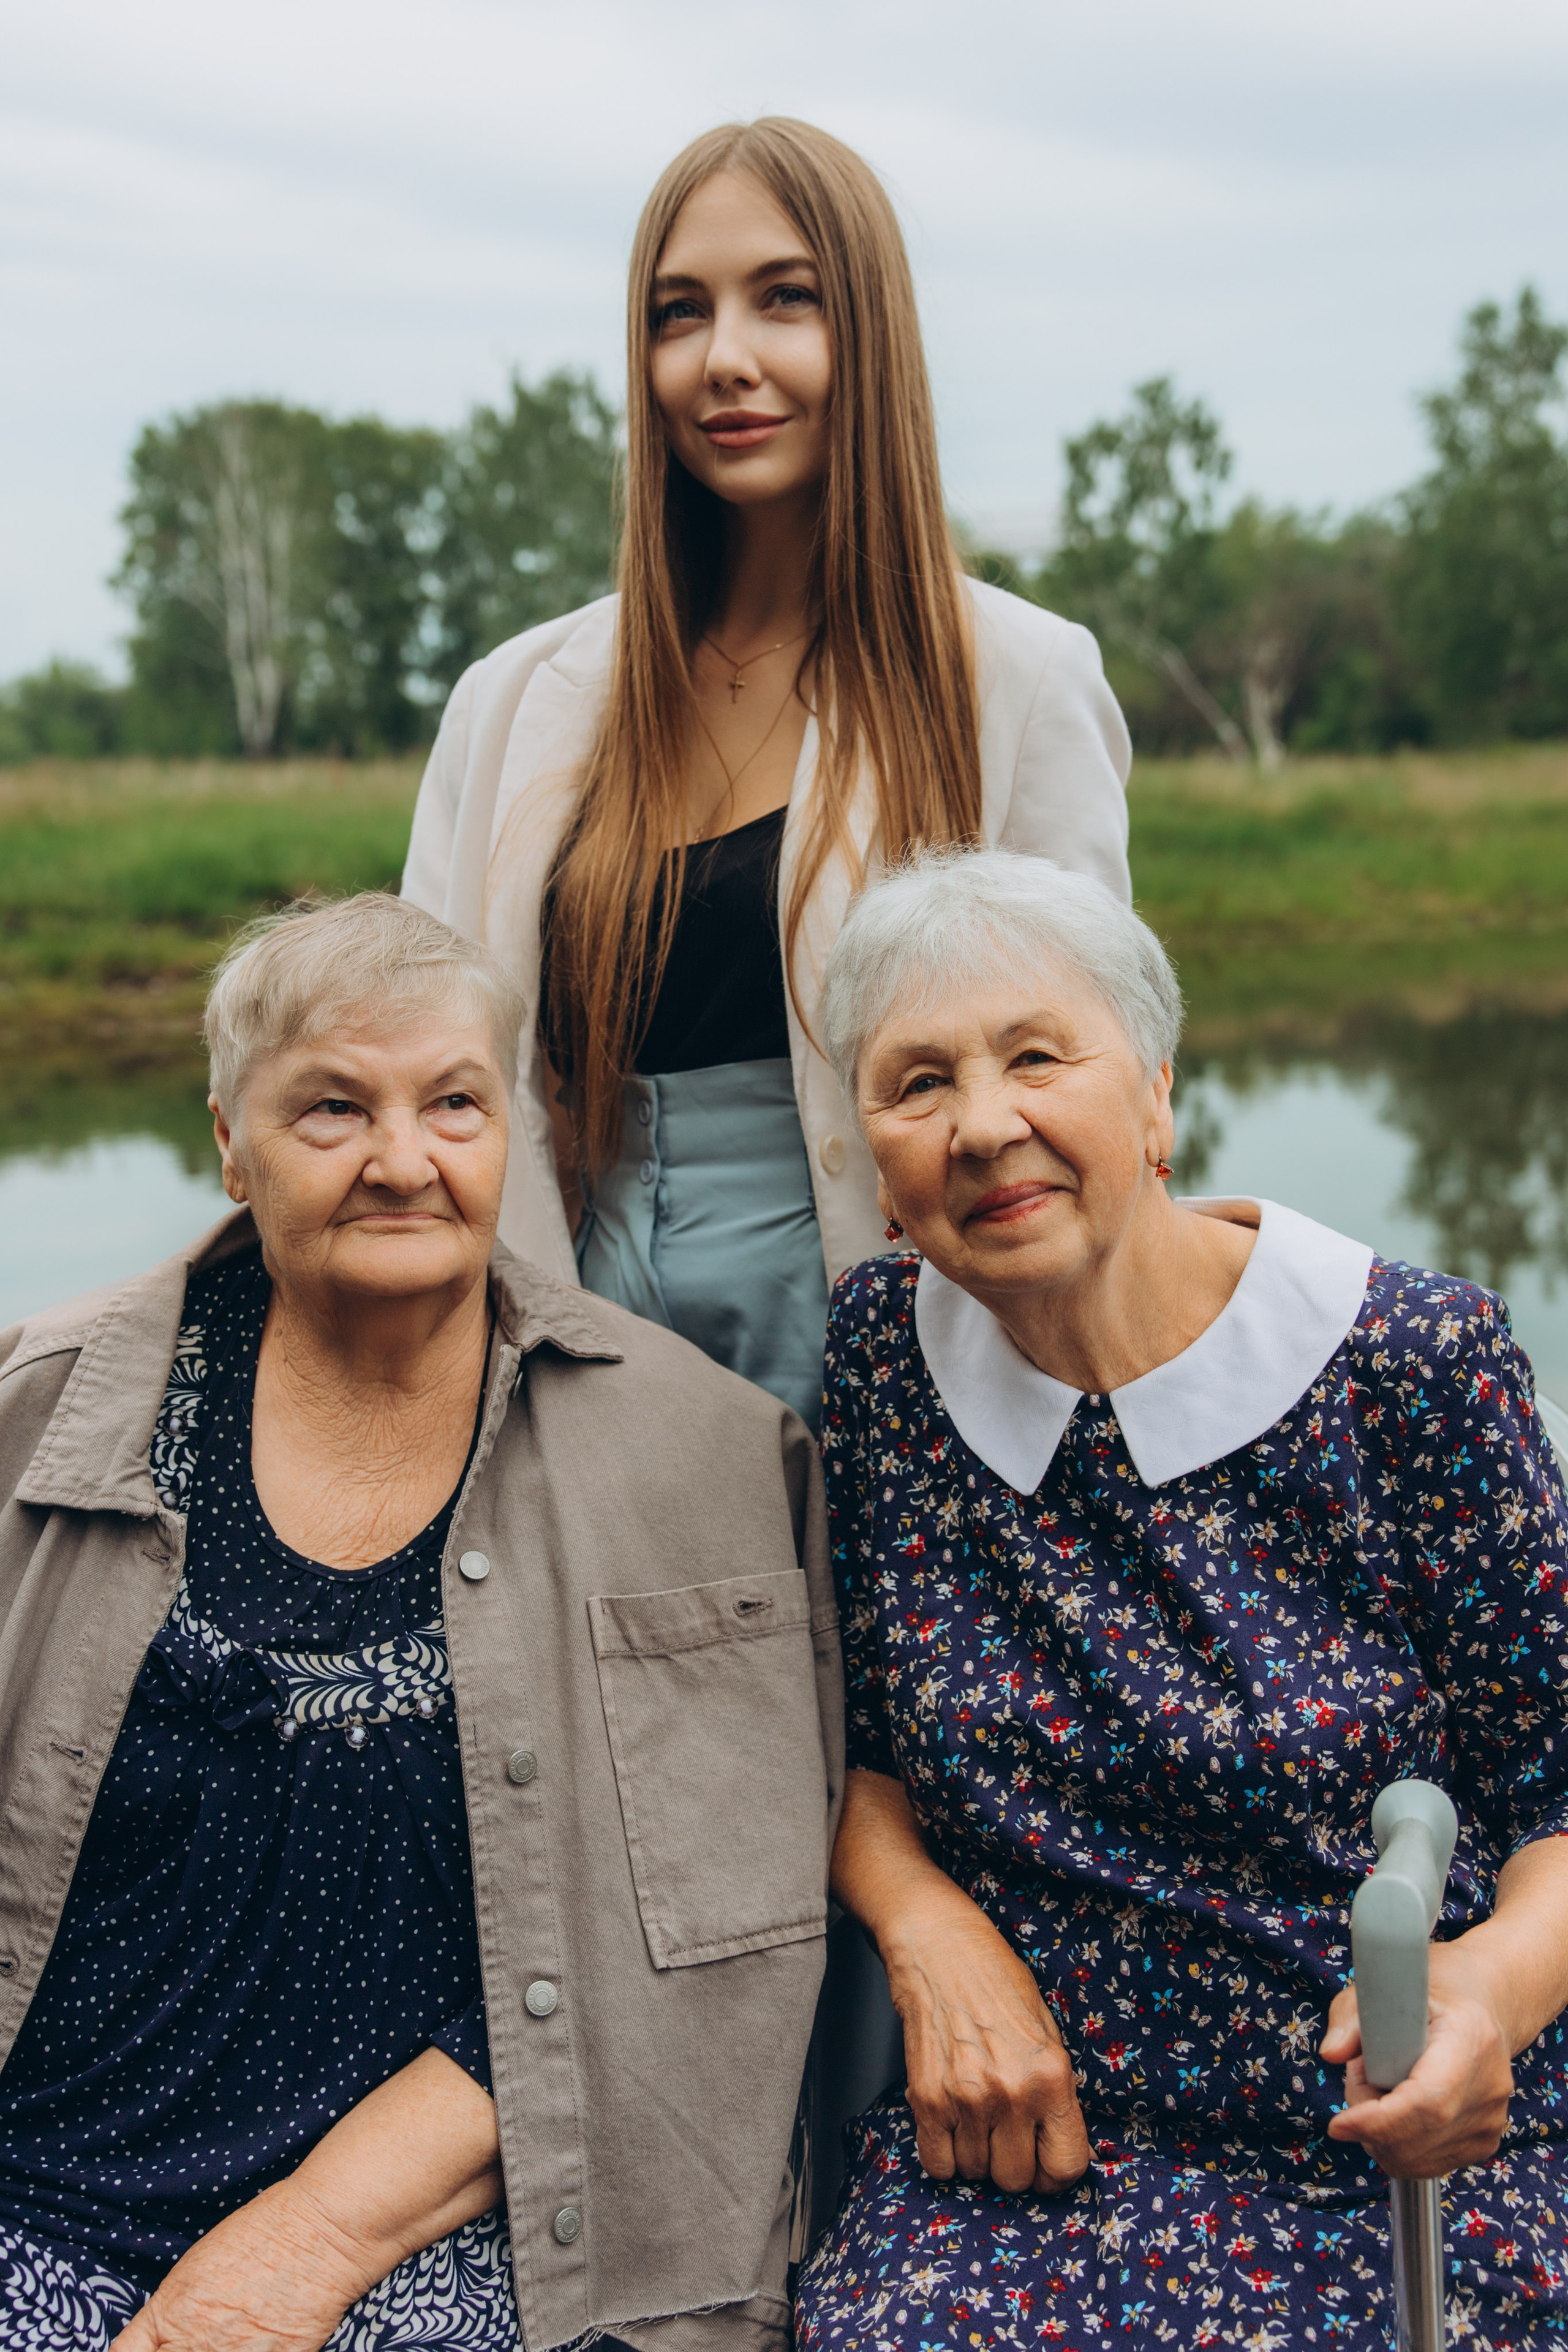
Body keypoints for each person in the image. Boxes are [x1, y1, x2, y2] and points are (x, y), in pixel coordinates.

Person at [0, 895, 842, 2352]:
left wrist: (301, 2246)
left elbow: (702, 1952)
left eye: (452, 1102)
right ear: (227, 1137)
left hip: (484, 2221)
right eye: (332, 1108)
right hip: (52, 2187)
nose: (403, 1160)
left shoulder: (700, 1458)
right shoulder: (44, 1407)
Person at [796, 844, 1568, 2351]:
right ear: (869, 1159)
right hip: (1034, 2147)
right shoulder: (885, 1356)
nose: (984, 1124)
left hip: (1405, 2135)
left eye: (1037, 1056)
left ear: (1153, 1093)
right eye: (916, 1083)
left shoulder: (1411, 1364)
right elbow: (856, 1745)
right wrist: (925, 1930)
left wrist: (1493, 1998)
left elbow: (1556, 1801)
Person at [401, 113, 1131, 1438]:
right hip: (574, 1374)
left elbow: (1081, 1083)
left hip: (919, 1384)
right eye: (678, 315)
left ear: (870, 330)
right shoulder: (510, 702)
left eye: (782, 299)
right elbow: (436, 1080)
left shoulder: (1013, 677)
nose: (723, 360)